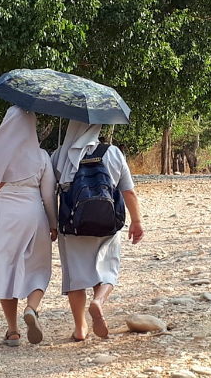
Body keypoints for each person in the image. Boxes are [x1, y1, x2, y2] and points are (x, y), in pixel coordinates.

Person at [0, 106, 58, 346]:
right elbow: (48, 197)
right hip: (33, 212)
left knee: (5, 268)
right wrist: (53, 224)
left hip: (2, 213)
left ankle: (13, 331)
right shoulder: (41, 156)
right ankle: (32, 308)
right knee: (38, 265)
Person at [52, 121, 144, 341]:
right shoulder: (112, 152)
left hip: (73, 226)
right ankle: (98, 301)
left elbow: (49, 191)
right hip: (107, 223)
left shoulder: (59, 155)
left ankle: (80, 328)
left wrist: (51, 224)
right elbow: (128, 192)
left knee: (75, 276)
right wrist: (136, 221)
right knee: (108, 269)